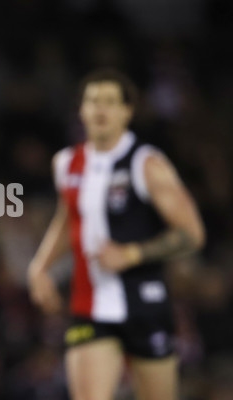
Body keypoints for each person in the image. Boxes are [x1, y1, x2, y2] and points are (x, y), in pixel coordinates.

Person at [27, 69, 204, 400]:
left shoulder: (146, 163)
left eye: (110, 101)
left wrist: (132, 254)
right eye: (93, 101)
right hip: (89, 306)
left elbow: (191, 233)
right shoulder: (66, 163)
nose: (100, 109)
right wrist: (40, 266)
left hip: (145, 303)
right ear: (81, 110)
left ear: (127, 111)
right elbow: (68, 219)